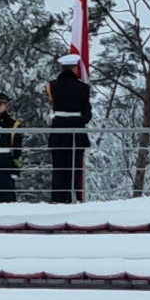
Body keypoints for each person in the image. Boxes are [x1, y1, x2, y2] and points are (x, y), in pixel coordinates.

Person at [46, 52, 92, 204]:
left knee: (58, 165)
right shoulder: (83, 87)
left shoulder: (51, 86)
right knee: (75, 165)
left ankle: (58, 197)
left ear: (61, 68)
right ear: (75, 69)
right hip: (76, 129)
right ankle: (73, 197)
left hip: (58, 128)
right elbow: (87, 115)